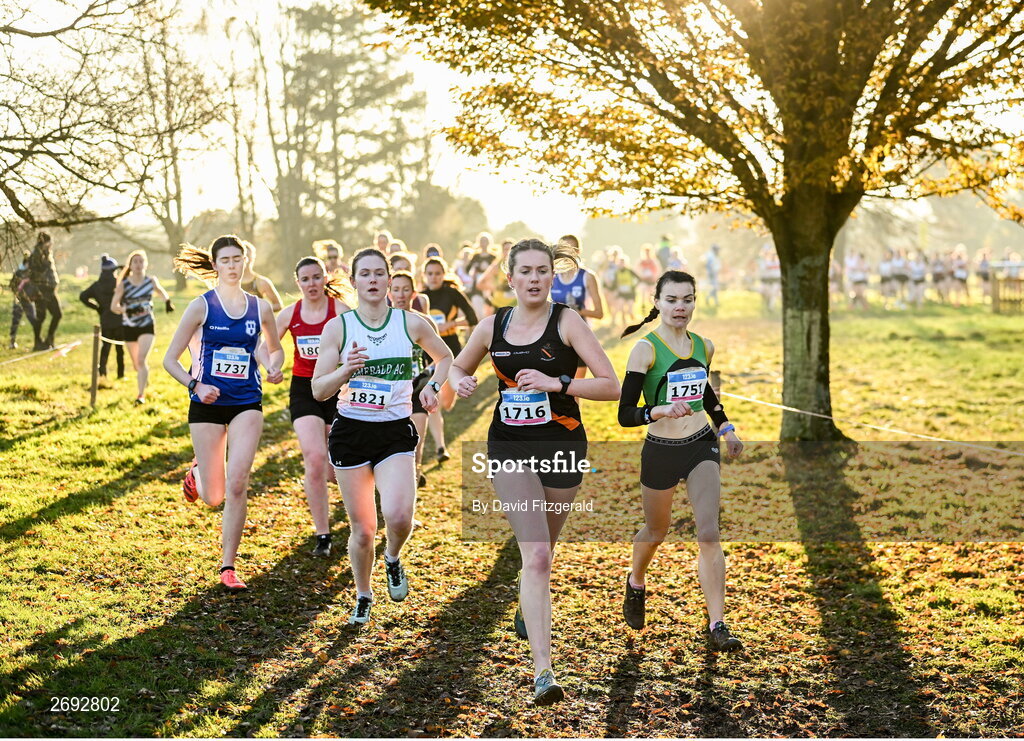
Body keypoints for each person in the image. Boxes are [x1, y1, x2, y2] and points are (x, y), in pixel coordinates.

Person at [449, 238, 620, 705]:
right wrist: (459, 381)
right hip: (509, 446)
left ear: (552, 275)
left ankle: (530, 598)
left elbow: (612, 386)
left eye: (542, 270)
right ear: (510, 277)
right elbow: (457, 368)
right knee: (539, 555)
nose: (533, 278)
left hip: (563, 445)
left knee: (544, 547)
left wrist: (558, 382)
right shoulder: (492, 325)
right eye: (524, 271)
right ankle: (543, 670)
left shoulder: (568, 321)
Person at [312, 247, 453, 625]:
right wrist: (345, 370)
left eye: (379, 274)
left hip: (394, 432)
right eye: (365, 274)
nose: (373, 280)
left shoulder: (411, 323)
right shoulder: (338, 328)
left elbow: (445, 358)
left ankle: (392, 557)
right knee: (362, 530)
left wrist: (431, 388)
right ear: (354, 281)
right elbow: (318, 390)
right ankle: (363, 593)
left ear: (390, 281)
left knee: (399, 515)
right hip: (351, 432)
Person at [617, 270, 745, 652]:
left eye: (687, 299)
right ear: (656, 301)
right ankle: (636, 580)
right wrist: (658, 410)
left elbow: (707, 395)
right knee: (657, 530)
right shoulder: (646, 349)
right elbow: (625, 414)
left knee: (708, 532)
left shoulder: (704, 345)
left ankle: (717, 623)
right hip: (660, 450)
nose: (680, 307)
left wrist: (726, 428)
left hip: (700, 444)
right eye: (672, 300)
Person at [162, 235, 284, 591]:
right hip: (207, 405)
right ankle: (198, 471)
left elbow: (272, 350)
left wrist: (275, 367)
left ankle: (228, 567)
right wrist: (195, 385)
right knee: (213, 496)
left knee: (238, 482)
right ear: (215, 265)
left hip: (247, 401)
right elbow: (170, 359)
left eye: (238, 259)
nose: (232, 266)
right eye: (225, 260)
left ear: (245, 262)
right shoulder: (201, 307)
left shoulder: (259, 308)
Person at [276, 256, 352, 556]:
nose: (312, 284)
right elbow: (266, 344)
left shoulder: (341, 312)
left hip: (336, 389)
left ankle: (359, 506)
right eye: (305, 279)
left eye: (316, 277)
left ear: (325, 279)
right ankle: (323, 534)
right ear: (298, 283)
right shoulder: (289, 314)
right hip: (304, 389)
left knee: (336, 468)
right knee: (315, 458)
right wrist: (271, 363)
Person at [421, 256, 479, 459]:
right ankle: (440, 446)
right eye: (430, 274)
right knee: (432, 395)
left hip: (451, 348)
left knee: (446, 402)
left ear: (443, 274)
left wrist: (452, 324)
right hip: (428, 352)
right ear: (424, 275)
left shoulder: (452, 293)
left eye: (437, 273)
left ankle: (438, 422)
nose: (434, 277)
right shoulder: (421, 297)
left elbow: (472, 318)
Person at [387, 271, 433, 487]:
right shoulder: (381, 322)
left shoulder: (424, 321)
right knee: (391, 447)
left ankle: (414, 481)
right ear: (389, 292)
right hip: (388, 394)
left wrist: (427, 378)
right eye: (396, 289)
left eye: (406, 289)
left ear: (414, 293)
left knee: (416, 444)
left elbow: (441, 358)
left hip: (416, 390)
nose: (401, 294)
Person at [112, 250, 173, 404]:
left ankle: (140, 396)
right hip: (129, 325)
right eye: (135, 262)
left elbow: (161, 291)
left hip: (147, 324)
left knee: (141, 359)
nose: (138, 265)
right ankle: (143, 378)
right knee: (136, 364)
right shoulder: (124, 284)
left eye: (141, 261)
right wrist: (127, 309)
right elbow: (114, 306)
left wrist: (167, 301)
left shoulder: (150, 281)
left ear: (145, 264)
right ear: (130, 265)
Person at [551, 234, 604, 379]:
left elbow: (599, 313)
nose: (567, 253)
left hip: (580, 336)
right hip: (556, 336)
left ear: (578, 252)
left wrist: (576, 310)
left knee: (575, 388)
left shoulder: (587, 276)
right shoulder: (552, 276)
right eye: (564, 248)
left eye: (571, 248)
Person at [79, 254, 124, 380]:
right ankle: (121, 374)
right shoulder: (119, 284)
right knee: (120, 348)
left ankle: (102, 372)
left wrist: (97, 307)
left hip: (105, 319)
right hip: (120, 319)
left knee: (105, 347)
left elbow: (83, 297)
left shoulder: (96, 286)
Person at [27, 232, 62, 350]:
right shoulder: (36, 255)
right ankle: (38, 342)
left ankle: (49, 339)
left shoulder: (47, 253)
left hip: (50, 290)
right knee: (41, 317)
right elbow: (35, 272)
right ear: (45, 242)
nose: (51, 244)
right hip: (41, 290)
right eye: (49, 242)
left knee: (57, 315)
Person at [240, 240, 284, 311]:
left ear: (253, 257)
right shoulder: (229, 282)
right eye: (242, 256)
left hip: (256, 321)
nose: (246, 260)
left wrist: (259, 310)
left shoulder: (262, 282)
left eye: (248, 256)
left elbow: (278, 305)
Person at [8, 250, 39, 350]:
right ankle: (12, 342)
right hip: (19, 300)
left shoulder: (32, 273)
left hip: (28, 301)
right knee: (15, 321)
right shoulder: (19, 273)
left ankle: (38, 341)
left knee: (33, 320)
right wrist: (18, 292)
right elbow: (12, 285)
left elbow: (35, 286)